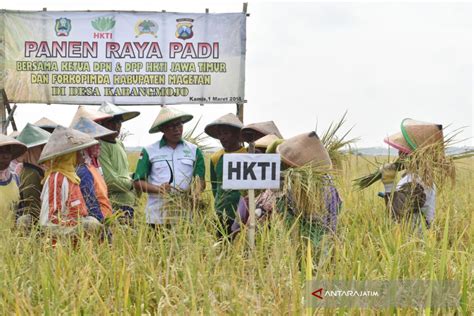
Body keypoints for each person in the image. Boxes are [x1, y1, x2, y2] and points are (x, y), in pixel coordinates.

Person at [133, 106, 205, 227]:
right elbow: (138, 182)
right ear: (162, 129)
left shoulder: (194, 151)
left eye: (179, 125)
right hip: (156, 215)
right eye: (171, 126)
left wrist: (195, 194)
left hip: (185, 215)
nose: (177, 130)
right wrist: (158, 189)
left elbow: (200, 180)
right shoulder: (149, 151)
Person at [380, 118, 445, 229]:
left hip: (414, 241)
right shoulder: (421, 177)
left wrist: (388, 184)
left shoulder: (416, 182)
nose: (399, 153)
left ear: (413, 156)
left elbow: (396, 214)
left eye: (403, 151)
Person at [38, 126, 102, 238]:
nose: (83, 154)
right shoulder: (57, 178)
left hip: (74, 246)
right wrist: (81, 227)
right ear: (69, 155)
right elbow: (49, 221)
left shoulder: (71, 177)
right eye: (79, 151)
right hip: (59, 247)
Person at [97, 102, 140, 222]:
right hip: (114, 203)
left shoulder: (120, 144)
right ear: (101, 123)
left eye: (119, 122)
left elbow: (123, 173)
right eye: (112, 122)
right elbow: (110, 180)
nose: (116, 126)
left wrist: (137, 177)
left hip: (129, 202)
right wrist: (132, 183)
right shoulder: (100, 146)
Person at [205, 113, 246, 236]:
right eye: (220, 134)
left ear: (237, 135)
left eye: (226, 133)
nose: (222, 137)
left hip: (244, 211)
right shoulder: (216, 157)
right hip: (222, 212)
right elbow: (215, 186)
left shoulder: (249, 155)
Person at [71, 116, 116, 223]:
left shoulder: (93, 167)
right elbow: (91, 205)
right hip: (99, 223)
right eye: (95, 141)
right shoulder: (84, 171)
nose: (99, 144)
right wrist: (103, 228)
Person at [15, 123, 51, 228]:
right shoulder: (31, 174)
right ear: (32, 150)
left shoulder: (35, 170)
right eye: (41, 147)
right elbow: (33, 209)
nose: (44, 150)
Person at [0, 135, 27, 217]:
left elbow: (20, 209)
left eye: (8, 152)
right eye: (1, 152)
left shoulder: (15, 178)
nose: (5, 156)